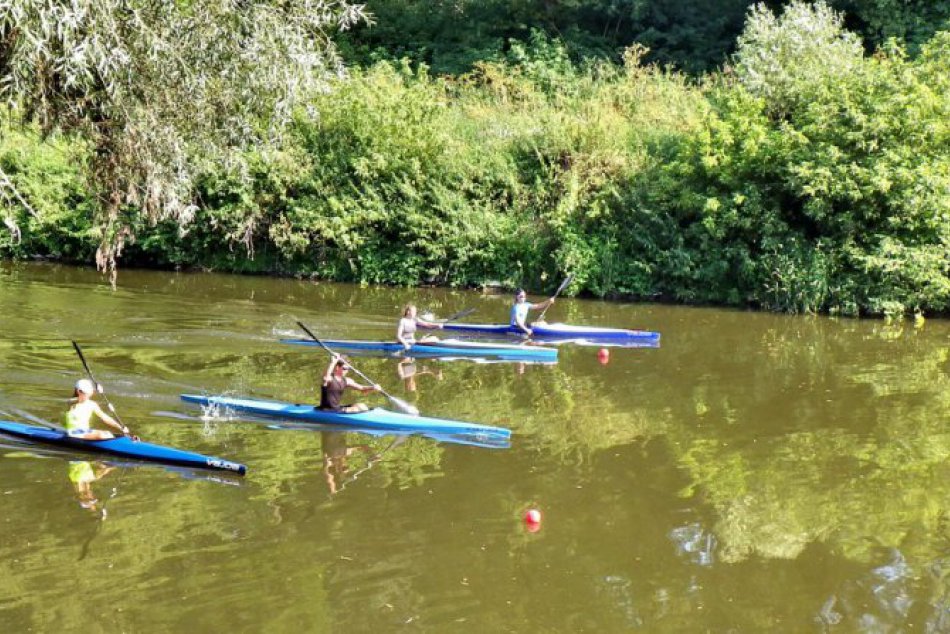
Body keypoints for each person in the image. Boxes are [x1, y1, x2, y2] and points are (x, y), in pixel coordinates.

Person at [66, 379, 130, 440]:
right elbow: (74, 401)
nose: (89, 395)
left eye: (90, 393)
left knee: (107, 433)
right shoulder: (72, 402)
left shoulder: (92, 404)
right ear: (79, 391)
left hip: (86, 431)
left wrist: (120, 427)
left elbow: (105, 417)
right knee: (103, 435)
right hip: (75, 433)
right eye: (87, 393)